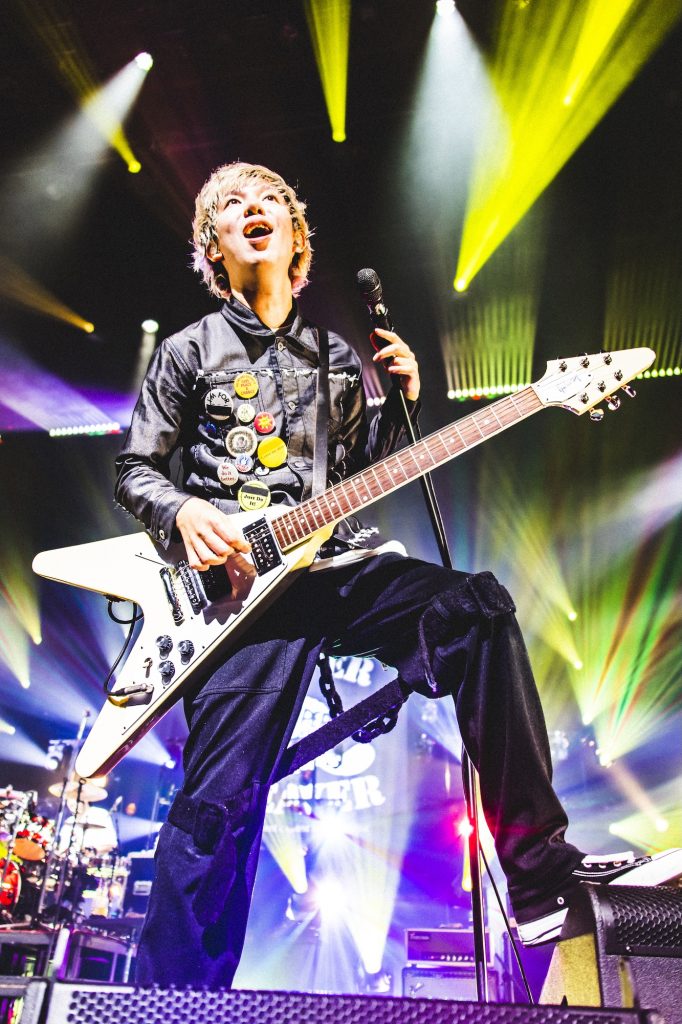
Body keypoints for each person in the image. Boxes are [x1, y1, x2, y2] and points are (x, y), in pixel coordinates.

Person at [115, 161, 680, 988]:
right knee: (218, 809)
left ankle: (539, 878)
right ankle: (172, 999)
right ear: (214, 248)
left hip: (328, 570)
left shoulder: (338, 359)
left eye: (270, 200)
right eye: (231, 206)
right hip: (234, 601)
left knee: (478, 610)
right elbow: (135, 470)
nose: (252, 209)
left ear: (298, 240)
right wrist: (184, 513)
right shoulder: (187, 351)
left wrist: (399, 413)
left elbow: (350, 483)